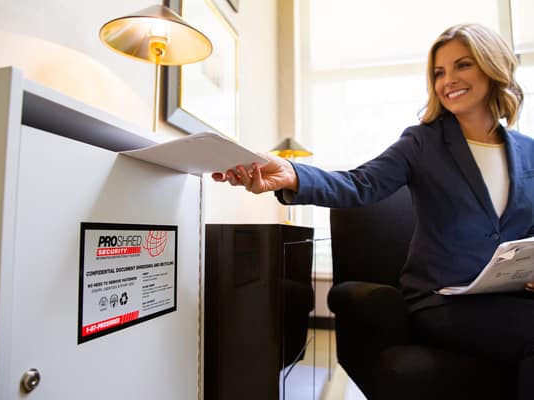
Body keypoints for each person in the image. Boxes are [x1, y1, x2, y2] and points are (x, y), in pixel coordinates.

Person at [212, 23, 534, 399]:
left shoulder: (527, 150)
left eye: (462, 65)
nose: (448, 80)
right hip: (443, 302)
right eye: (439, 72)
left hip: (511, 297)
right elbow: (360, 185)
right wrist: (293, 175)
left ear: (491, 66)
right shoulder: (422, 142)